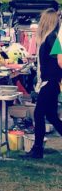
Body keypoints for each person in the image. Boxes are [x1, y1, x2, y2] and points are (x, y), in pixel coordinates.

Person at [29, 9, 62, 160]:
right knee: (51, 116)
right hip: (51, 82)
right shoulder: (51, 38)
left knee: (39, 114)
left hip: (50, 82)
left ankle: (37, 150)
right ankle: (37, 149)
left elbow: (59, 62)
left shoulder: (51, 39)